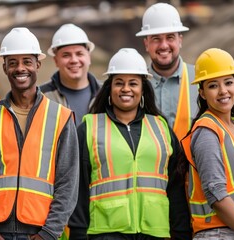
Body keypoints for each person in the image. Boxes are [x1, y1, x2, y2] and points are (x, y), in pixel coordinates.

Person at [0, 27, 79, 240]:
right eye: (12, 62)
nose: (20, 68)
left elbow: (68, 182)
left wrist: (50, 232)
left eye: (26, 61)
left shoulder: (61, 117)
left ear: (37, 65)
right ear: (4, 67)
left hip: (40, 232)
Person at [69, 48, 192, 239]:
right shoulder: (89, 129)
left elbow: (175, 188)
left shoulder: (161, 128)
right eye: (119, 83)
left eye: (133, 83)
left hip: (155, 232)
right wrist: (77, 234)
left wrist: (181, 232)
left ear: (142, 89)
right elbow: (78, 188)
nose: (126, 89)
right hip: (105, 233)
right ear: (110, 88)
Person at [180, 48, 234, 239]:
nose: (223, 91)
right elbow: (216, 195)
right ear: (201, 92)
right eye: (213, 85)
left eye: (228, 82)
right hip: (219, 233)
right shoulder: (207, 132)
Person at [136, 2, 198, 140]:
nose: (164, 45)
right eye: (156, 39)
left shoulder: (200, 80)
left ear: (180, 40)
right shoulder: (135, 85)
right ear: (146, 44)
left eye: (170, 37)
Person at [40, 23, 101, 127]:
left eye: (79, 54)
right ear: (56, 60)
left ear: (89, 57)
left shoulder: (107, 93)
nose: (74, 60)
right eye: (66, 55)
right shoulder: (41, 96)